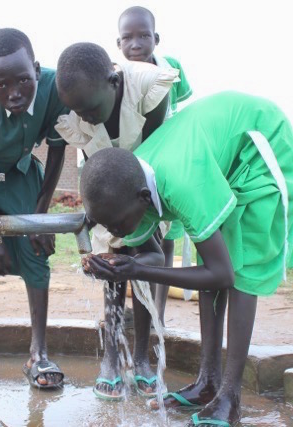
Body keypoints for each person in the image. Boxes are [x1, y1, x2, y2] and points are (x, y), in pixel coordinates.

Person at [81, 91, 293, 426]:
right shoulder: (129, 180)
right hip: (217, 156)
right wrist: (117, 268)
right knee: (209, 254)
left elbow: (221, 275)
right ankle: (207, 382)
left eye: (117, 224)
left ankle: (230, 398)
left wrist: (138, 269)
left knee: (242, 271)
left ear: (143, 199)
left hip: (261, 144)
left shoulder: (181, 182)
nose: (116, 233)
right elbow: (154, 254)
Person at [54, 42, 177, 400]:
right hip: (106, 188)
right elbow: (92, 159)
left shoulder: (149, 89)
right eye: (77, 110)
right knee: (112, 268)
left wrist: (136, 215)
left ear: (112, 81)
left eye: (90, 109)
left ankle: (140, 358)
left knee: (141, 270)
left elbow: (155, 150)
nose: (86, 117)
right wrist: (99, 209)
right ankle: (110, 358)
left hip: (145, 185)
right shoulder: (82, 107)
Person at [0, 28, 69, 389]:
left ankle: (37, 354)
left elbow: (57, 150)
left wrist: (40, 217)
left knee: (36, 251)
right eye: (1, 85)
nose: (14, 93)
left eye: (24, 79)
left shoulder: (56, 90)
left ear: (37, 70)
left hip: (22, 176)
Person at [116, 5, 194, 324]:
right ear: (118, 43)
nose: (136, 43)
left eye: (143, 35)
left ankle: (158, 312)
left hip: (168, 161)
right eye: (128, 37)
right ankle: (127, 312)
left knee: (168, 236)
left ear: (156, 38)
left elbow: (183, 108)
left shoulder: (171, 66)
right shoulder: (120, 76)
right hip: (136, 162)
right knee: (132, 241)